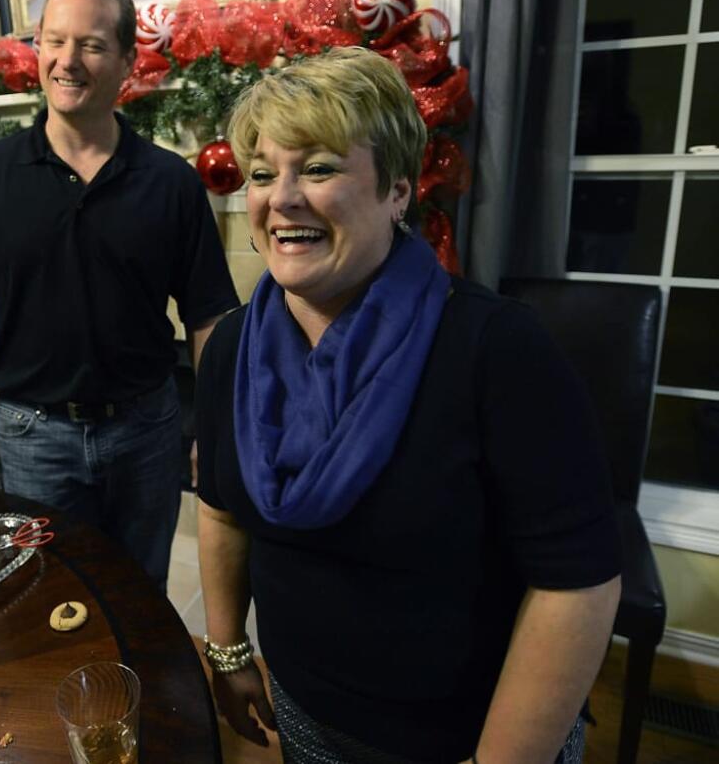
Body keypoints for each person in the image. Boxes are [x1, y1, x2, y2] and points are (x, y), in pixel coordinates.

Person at [195, 48, 622, 764]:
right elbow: (221, 508)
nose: (282, 198)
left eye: (321, 167)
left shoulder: (496, 347)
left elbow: (576, 584)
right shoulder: (234, 346)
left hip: (469, 738)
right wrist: (228, 647)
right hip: (307, 718)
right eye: (264, 174)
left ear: (397, 190)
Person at [0, 0, 238, 590]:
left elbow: (208, 316)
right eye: (54, 41)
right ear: (37, 49)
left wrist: (214, 430)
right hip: (31, 435)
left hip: (147, 430)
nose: (68, 61)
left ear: (126, 61)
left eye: (91, 45)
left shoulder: (170, 183)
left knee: (140, 591)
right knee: (48, 592)